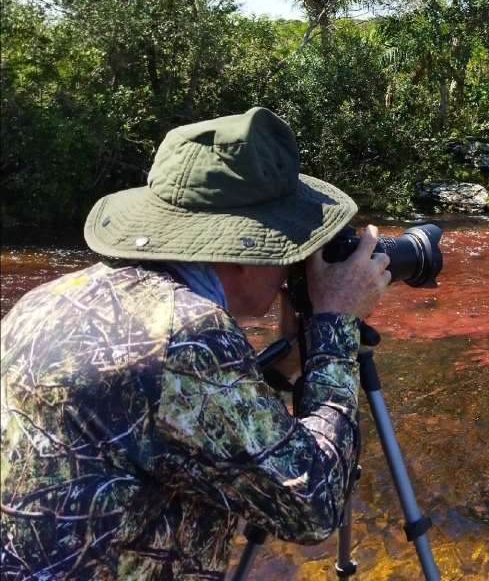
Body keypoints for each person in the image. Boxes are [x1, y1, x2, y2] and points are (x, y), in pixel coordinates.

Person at [0, 107, 391, 580]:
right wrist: (335, 326)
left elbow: (171, 423)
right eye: (292, 248)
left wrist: (286, 359)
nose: (298, 264)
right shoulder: (188, 335)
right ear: (245, 249)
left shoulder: (51, 299)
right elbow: (314, 504)